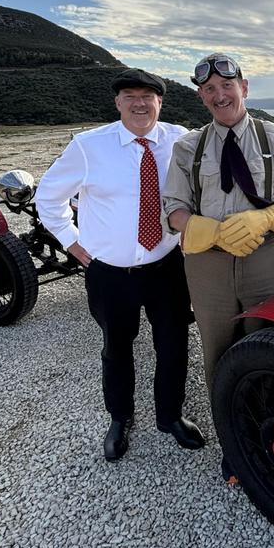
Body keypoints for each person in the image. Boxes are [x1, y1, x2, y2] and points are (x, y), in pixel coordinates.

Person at [36, 68, 205, 462]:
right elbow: (48, 197)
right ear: (117, 103)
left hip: (166, 267)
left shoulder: (179, 139)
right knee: (117, 347)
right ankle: (119, 419)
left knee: (174, 344)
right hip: (110, 273)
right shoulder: (88, 146)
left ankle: (170, 417)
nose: (140, 103)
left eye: (148, 96)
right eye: (130, 96)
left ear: (160, 103)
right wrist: (72, 243)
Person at [164, 52, 274, 397]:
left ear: (244, 87)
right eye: (210, 89)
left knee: (268, 348)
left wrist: (267, 217)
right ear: (201, 96)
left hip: (263, 260)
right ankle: (231, 435)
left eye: (227, 85)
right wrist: (212, 231)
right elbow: (173, 209)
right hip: (207, 266)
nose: (220, 95)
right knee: (217, 351)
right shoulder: (188, 147)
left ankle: (266, 428)